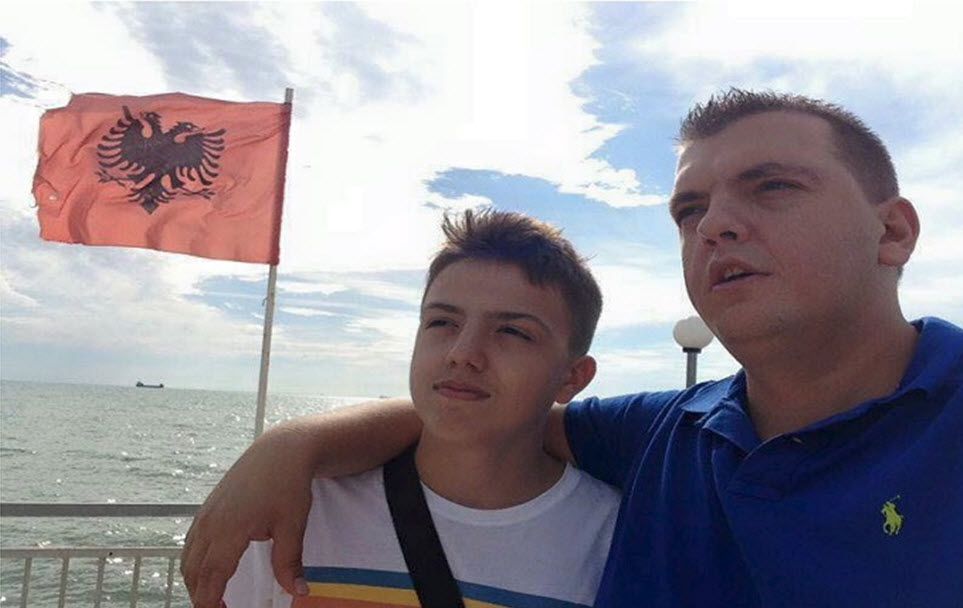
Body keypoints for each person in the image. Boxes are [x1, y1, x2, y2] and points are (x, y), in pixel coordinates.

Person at [184, 89, 963, 608]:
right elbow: (488, 416)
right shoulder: (665, 436)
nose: (714, 225)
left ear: (891, 230)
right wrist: (292, 446)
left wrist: (290, 446)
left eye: (771, 186)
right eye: (689, 210)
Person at [221, 209, 620, 608]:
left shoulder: (612, 538)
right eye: (442, 322)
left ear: (572, 377)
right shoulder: (302, 507)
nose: (462, 353)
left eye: (512, 331)